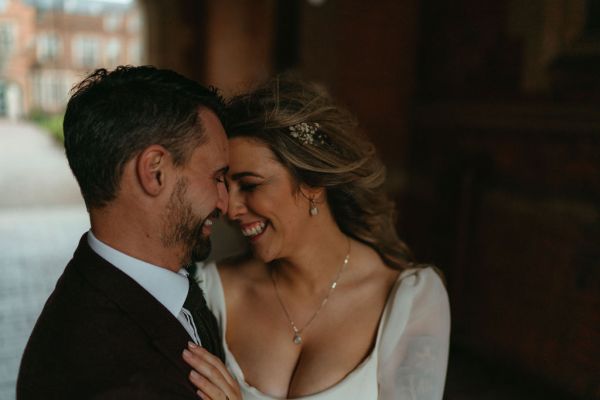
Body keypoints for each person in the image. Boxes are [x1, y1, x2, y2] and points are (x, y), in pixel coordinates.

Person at [183, 76, 450, 399]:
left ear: (312, 182)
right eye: (226, 185)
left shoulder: (406, 301)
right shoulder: (211, 291)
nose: (230, 208)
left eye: (250, 185)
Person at [17, 65, 233, 399]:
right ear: (155, 172)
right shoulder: (109, 379)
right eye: (217, 177)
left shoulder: (144, 281)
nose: (226, 202)